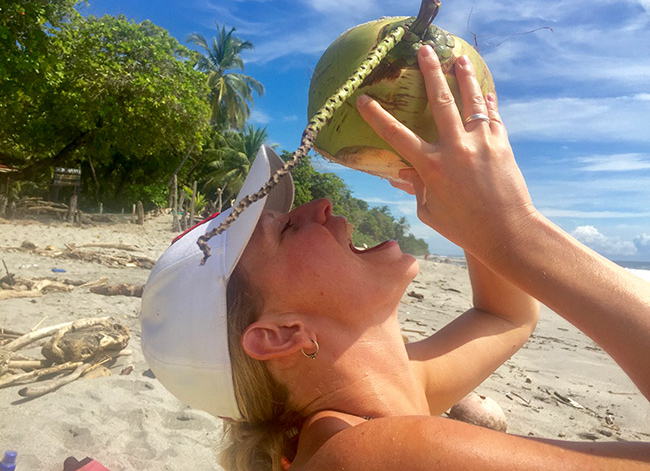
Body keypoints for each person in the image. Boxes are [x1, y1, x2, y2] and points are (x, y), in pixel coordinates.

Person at [140, 45, 650, 470]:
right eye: (289, 228)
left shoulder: (391, 396)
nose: (320, 206)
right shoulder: (368, 455)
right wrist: (513, 229)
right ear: (281, 334)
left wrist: (469, 208)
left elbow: (507, 317)